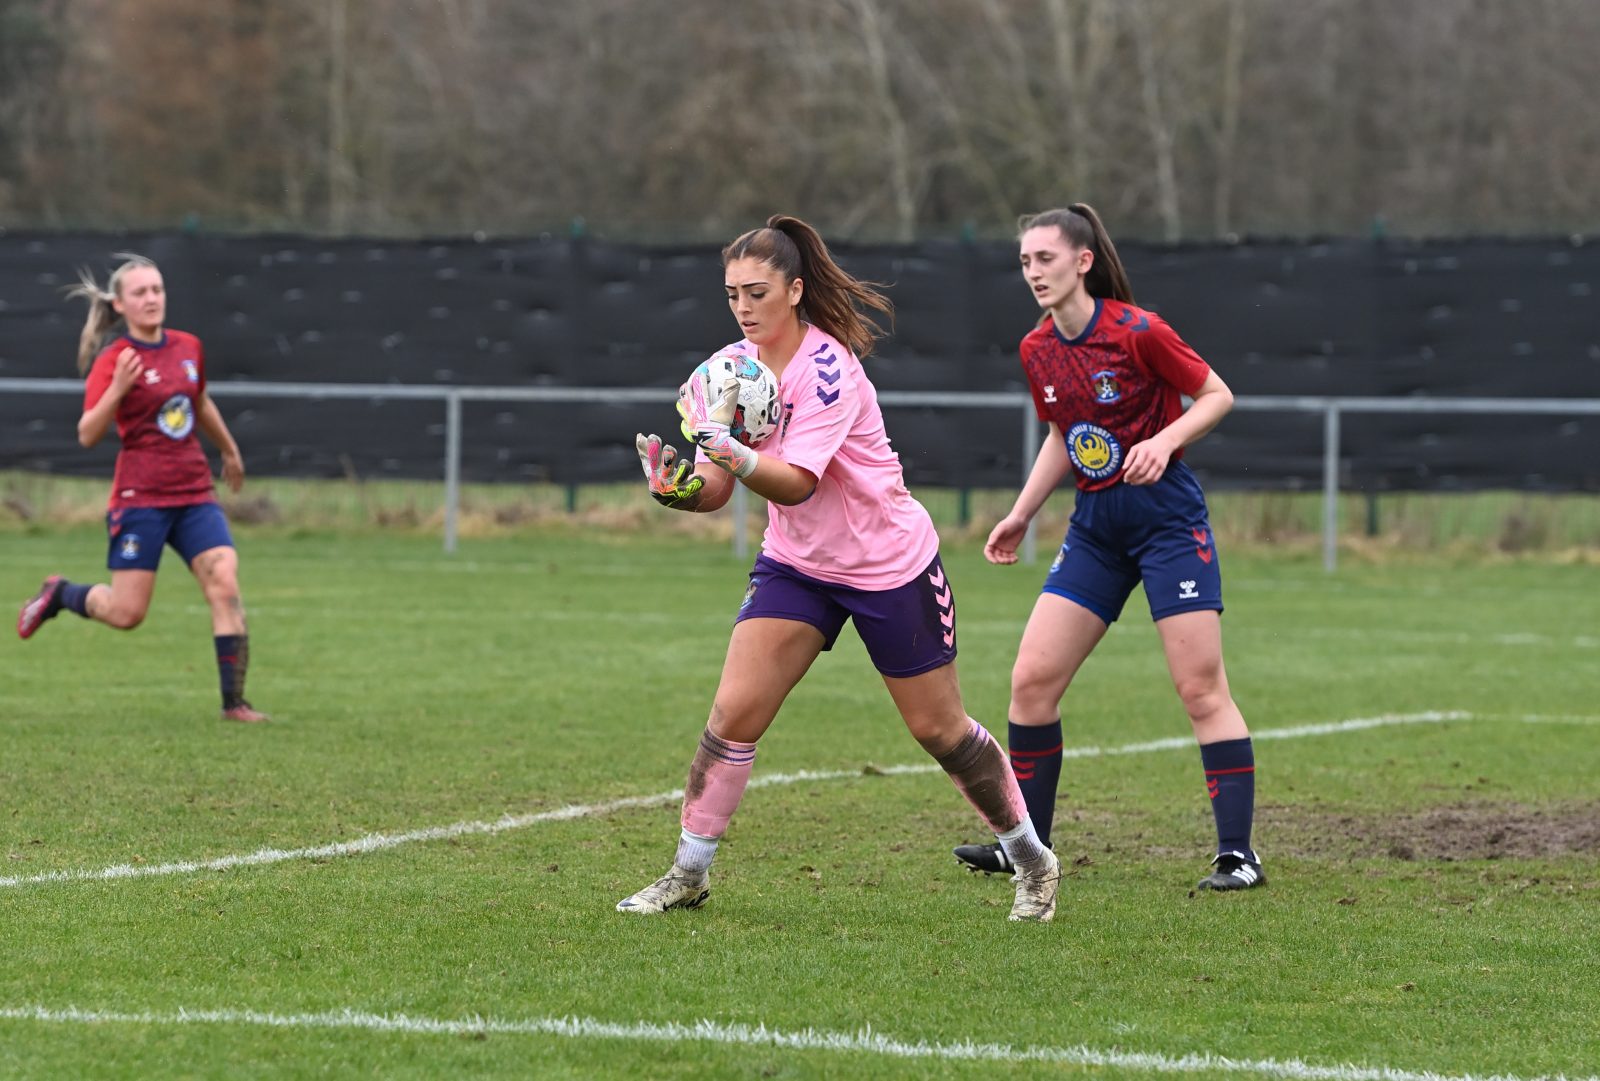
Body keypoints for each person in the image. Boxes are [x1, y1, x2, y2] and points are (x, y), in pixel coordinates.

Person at [621, 215, 1060, 921]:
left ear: (795, 290)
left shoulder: (830, 370)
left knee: (938, 729)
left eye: (757, 291)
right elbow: (719, 487)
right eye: (732, 292)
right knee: (733, 713)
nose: (743, 305)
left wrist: (728, 451)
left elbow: (796, 481)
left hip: (888, 564)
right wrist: (680, 488)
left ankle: (1033, 860)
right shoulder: (727, 371)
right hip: (798, 565)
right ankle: (687, 873)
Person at [951, 204, 1263, 891]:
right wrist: (1022, 514)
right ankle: (1027, 846)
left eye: (1046, 258)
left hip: (1167, 525)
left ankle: (1237, 855)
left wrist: (1164, 440)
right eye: (1026, 261)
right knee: (1031, 681)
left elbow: (1215, 394)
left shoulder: (1138, 331)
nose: (1034, 271)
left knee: (1199, 687)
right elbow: (1066, 434)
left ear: (1082, 260)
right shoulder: (1038, 349)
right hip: (1097, 529)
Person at [16, 253, 269, 724]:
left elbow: (199, 400)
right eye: (140, 292)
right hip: (141, 500)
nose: (151, 299)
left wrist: (229, 449)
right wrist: (118, 388)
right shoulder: (115, 360)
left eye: (157, 290)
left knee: (225, 581)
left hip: (194, 493)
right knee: (127, 613)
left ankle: (235, 704)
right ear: (120, 304)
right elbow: (87, 433)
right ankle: (61, 594)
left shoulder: (189, 346)